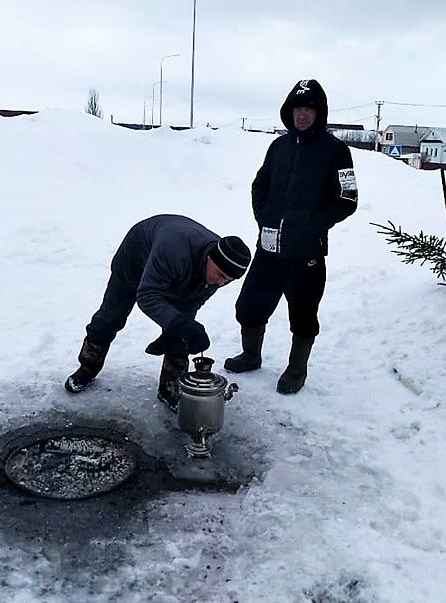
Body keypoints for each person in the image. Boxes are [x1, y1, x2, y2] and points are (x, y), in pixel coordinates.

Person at [224, 79, 358, 394]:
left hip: (307, 253)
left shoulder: (336, 151)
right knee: (249, 307)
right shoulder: (279, 147)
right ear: (289, 111)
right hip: (269, 248)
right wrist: (263, 216)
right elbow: (260, 184)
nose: (302, 115)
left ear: (319, 112)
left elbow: (348, 198)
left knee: (303, 315)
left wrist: (314, 224)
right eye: (298, 108)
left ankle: (297, 368)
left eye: (308, 108)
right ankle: (251, 354)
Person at [65, 214, 251, 411]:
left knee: (183, 332)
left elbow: (191, 304)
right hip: (135, 260)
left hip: (178, 266)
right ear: (209, 258)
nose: (222, 283)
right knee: (112, 316)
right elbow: (146, 295)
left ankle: (170, 388)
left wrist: (177, 330)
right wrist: (177, 323)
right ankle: (87, 367)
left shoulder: (219, 269)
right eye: (221, 276)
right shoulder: (175, 252)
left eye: (229, 281)